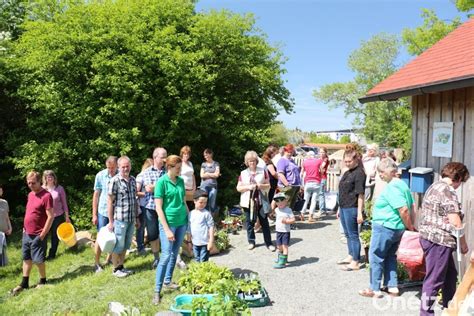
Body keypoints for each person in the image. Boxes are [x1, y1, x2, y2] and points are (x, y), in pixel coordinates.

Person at [358, 158, 415, 298]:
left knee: (376, 256)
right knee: (390, 256)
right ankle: (392, 286)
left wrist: (411, 227)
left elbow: (404, 210)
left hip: (385, 226)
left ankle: (374, 288)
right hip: (397, 227)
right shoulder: (403, 185)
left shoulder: (392, 187)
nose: (380, 175)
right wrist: (408, 225)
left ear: (391, 171)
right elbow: (411, 206)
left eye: (382, 172)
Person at [419, 162, 470, 315]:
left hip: (428, 236)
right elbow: (455, 221)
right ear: (458, 177)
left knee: (450, 275)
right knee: (434, 280)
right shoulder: (448, 191)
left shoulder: (434, 187)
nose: (459, 186)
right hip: (439, 240)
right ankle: (426, 312)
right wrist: (463, 243)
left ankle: (450, 308)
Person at [153, 155, 188, 305]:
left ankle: (168, 281)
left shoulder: (180, 181)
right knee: (166, 255)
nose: (180, 170)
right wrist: (167, 230)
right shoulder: (161, 182)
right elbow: (158, 208)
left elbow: (183, 201)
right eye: (178, 168)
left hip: (181, 222)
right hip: (169, 223)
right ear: (170, 167)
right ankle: (157, 291)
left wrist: (189, 220)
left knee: (175, 253)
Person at [11, 171, 54, 295]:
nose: (30, 185)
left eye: (33, 183)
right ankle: (24, 282)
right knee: (26, 258)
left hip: (38, 234)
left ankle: (43, 281)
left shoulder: (46, 196)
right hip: (27, 233)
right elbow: (30, 212)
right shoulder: (30, 195)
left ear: (40, 181)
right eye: (28, 183)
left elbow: (50, 216)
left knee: (38, 260)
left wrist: (43, 234)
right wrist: (24, 228)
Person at [107, 156, 139, 278]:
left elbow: (134, 200)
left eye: (127, 166)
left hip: (131, 218)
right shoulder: (114, 181)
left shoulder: (133, 180)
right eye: (123, 166)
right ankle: (115, 269)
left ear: (130, 166)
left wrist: (136, 218)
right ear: (119, 167)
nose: (125, 168)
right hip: (120, 219)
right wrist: (111, 221)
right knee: (118, 245)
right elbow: (110, 202)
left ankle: (121, 266)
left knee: (126, 245)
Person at [237, 151, 275, 251]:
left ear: (256, 161)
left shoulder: (263, 171)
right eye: (250, 161)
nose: (252, 163)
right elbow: (238, 188)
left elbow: (269, 185)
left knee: (264, 222)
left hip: (261, 201)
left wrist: (260, 186)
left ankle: (269, 243)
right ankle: (251, 241)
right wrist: (249, 187)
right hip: (248, 201)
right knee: (249, 222)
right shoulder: (243, 173)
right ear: (247, 162)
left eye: (253, 161)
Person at [337, 150, 366, 271]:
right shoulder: (347, 172)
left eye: (350, 161)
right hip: (344, 206)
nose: (347, 163)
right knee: (347, 234)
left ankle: (356, 261)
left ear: (356, 160)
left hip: (352, 207)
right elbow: (342, 191)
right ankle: (351, 255)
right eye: (346, 161)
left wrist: (359, 212)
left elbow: (361, 194)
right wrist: (339, 208)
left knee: (353, 235)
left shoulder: (359, 173)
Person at [142, 147, 167, 269]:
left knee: (167, 231)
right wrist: (163, 184)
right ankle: (157, 258)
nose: (165, 159)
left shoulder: (167, 171)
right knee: (153, 234)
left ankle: (168, 256)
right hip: (151, 207)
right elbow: (148, 189)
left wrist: (156, 185)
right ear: (155, 157)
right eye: (163, 157)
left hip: (165, 207)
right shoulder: (147, 172)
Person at [92, 156, 117, 273]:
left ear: (117, 166)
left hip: (116, 212)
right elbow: (96, 195)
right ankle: (96, 263)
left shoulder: (120, 175)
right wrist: (94, 214)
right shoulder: (100, 175)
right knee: (100, 237)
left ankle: (109, 259)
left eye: (113, 168)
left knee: (114, 237)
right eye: (108, 168)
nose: (110, 170)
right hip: (103, 211)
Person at [42, 170, 70, 260]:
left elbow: (64, 203)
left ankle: (51, 255)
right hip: (45, 217)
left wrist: (67, 216)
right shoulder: (42, 189)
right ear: (45, 179)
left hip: (58, 216)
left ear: (54, 178)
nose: (50, 178)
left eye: (51, 176)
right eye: (48, 177)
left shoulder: (59, 188)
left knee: (55, 236)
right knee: (44, 235)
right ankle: (42, 255)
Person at [188, 190, 214, 262]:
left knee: (203, 261)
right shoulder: (191, 214)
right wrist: (189, 242)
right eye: (201, 202)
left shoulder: (206, 214)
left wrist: (211, 241)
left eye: (205, 202)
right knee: (197, 259)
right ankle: (198, 273)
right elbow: (189, 229)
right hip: (195, 243)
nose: (203, 204)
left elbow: (211, 227)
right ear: (194, 201)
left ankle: (203, 272)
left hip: (204, 243)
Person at [136, 158, 154, 256]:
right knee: (141, 227)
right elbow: (136, 191)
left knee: (150, 227)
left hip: (151, 205)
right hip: (143, 205)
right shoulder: (141, 176)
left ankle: (151, 245)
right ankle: (140, 247)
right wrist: (147, 193)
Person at [276, 144, 302, 211]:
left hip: (295, 186)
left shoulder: (292, 160)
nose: (290, 153)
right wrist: (287, 184)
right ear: (284, 151)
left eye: (291, 152)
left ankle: (289, 219)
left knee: (290, 206)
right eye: (288, 152)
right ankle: (283, 219)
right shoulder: (282, 161)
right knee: (285, 205)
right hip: (287, 187)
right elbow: (280, 174)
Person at [273, 192, 295, 269]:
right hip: (278, 231)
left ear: (286, 201)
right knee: (279, 246)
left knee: (285, 246)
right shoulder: (276, 210)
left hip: (285, 231)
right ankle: (281, 257)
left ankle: (282, 262)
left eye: (282, 200)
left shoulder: (288, 210)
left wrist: (287, 221)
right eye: (277, 201)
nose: (280, 202)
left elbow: (293, 219)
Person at [300, 151, 322, 223]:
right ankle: (310, 216)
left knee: (305, 199)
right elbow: (321, 171)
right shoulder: (318, 161)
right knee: (314, 200)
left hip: (308, 182)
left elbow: (302, 173)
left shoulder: (304, 162)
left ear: (308, 155)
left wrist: (302, 184)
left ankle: (302, 214)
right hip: (316, 182)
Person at [200, 148, 220, 214]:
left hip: (213, 186)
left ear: (210, 154)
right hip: (204, 186)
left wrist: (207, 174)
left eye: (206, 155)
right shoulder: (203, 164)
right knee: (203, 202)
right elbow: (202, 175)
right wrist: (212, 174)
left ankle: (211, 217)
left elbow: (217, 175)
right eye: (204, 155)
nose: (205, 157)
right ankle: (205, 217)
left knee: (212, 203)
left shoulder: (216, 164)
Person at [180, 145, 196, 211]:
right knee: (183, 208)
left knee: (190, 208)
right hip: (183, 188)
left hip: (191, 189)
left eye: (188, 154)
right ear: (182, 154)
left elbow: (192, 175)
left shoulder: (190, 163)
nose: (186, 155)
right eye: (185, 154)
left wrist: (194, 187)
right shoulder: (180, 163)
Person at [0, 184, 12, 266]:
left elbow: (7, 217)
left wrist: (10, 227)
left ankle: (3, 265)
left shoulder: (5, 202)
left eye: (1, 190)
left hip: (4, 230)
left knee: (3, 249)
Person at [317, 147, 329, 217]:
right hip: (319, 177)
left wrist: (318, 168)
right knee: (321, 194)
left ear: (325, 153)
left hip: (322, 178)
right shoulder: (319, 159)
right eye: (320, 152)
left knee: (321, 194)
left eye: (323, 152)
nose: (321, 154)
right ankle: (324, 210)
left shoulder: (325, 159)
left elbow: (321, 167)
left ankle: (321, 210)